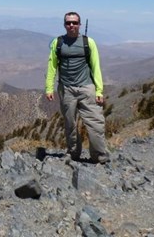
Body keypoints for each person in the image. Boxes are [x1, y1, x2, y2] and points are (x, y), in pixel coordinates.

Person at [45, 11, 109, 164]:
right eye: (68, 23)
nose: (71, 25)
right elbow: (52, 66)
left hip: (87, 88)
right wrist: (49, 87)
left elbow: (96, 67)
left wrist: (99, 90)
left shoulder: (89, 42)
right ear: (64, 25)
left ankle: (99, 156)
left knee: (95, 124)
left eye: (74, 22)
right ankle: (73, 154)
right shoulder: (58, 43)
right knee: (70, 124)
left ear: (79, 24)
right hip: (66, 89)